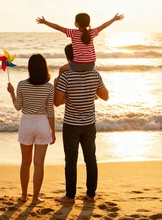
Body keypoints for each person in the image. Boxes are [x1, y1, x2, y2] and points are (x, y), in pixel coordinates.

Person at [54, 44, 109, 203]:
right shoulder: (95, 74)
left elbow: (57, 102)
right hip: (89, 124)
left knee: (70, 161)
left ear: (68, 58)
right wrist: (92, 91)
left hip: (71, 124)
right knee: (90, 159)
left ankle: (70, 196)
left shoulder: (66, 76)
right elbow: (105, 96)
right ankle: (90, 195)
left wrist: (58, 79)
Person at [7, 54, 56, 205]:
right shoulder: (49, 87)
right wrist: (52, 131)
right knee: (39, 163)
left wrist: (11, 93)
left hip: (26, 123)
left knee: (25, 163)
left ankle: (23, 196)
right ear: (44, 68)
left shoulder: (21, 85)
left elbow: (17, 107)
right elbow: (50, 112)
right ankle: (35, 198)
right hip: (42, 123)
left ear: (30, 68)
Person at [36, 13, 124, 74]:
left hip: (77, 65)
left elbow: (58, 27)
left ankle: (60, 89)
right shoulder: (92, 32)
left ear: (77, 24)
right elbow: (104, 25)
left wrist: (45, 22)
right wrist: (114, 19)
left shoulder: (73, 33)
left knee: (61, 70)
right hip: (91, 65)